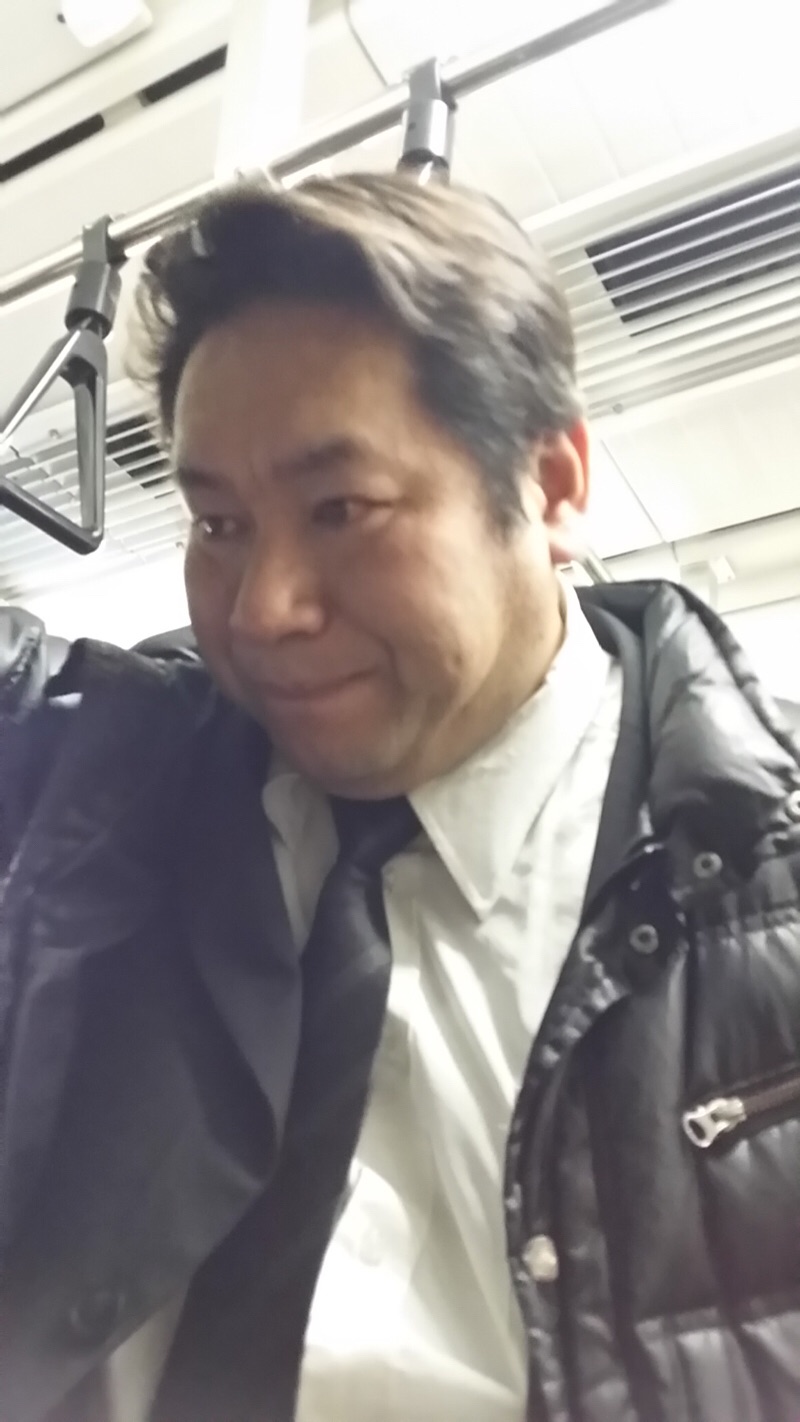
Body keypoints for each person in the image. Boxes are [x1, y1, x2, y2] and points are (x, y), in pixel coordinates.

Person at [1, 172, 799, 1422]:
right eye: (218, 525)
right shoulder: (89, 789)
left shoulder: (764, 880)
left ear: (551, 484)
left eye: (340, 511)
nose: (262, 609)